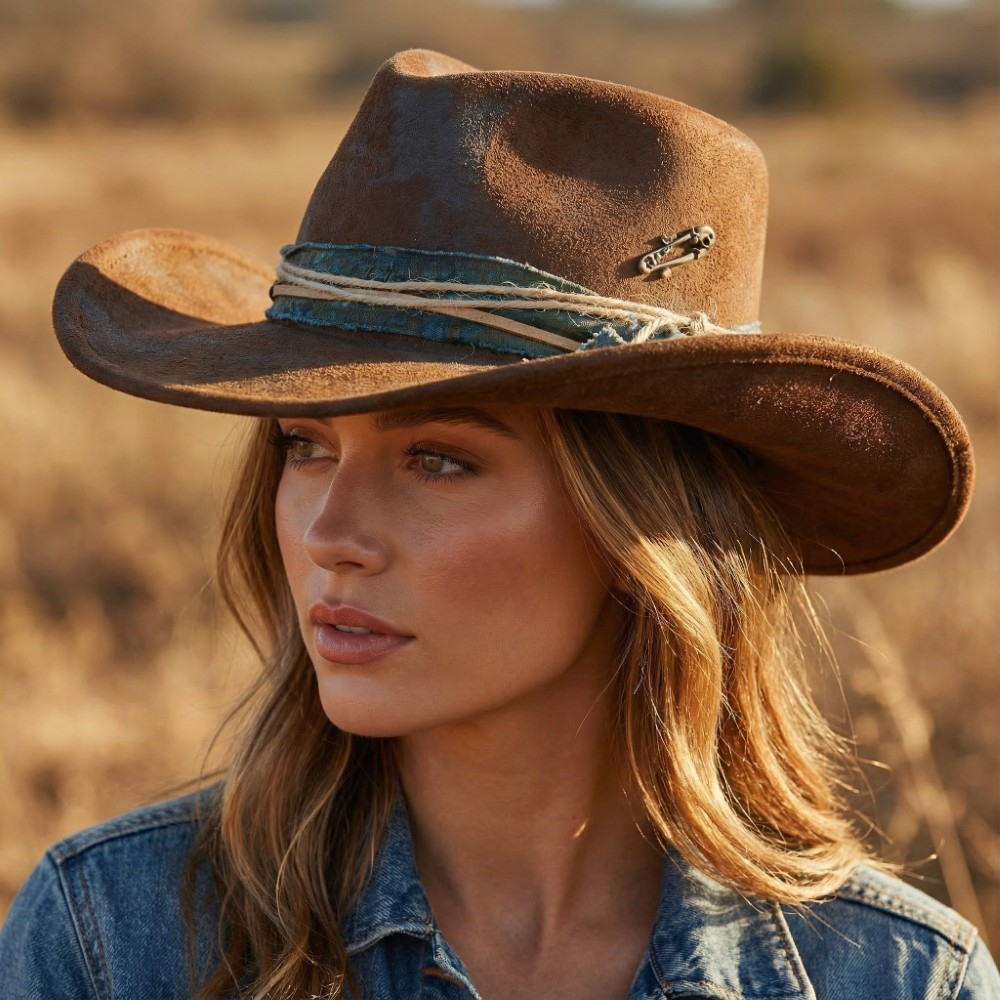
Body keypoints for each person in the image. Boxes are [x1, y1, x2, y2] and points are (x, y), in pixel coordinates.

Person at [1, 48, 996, 1000]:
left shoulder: (891, 977)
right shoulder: (116, 939)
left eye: (438, 459)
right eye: (305, 446)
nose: (329, 532)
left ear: (640, 527)